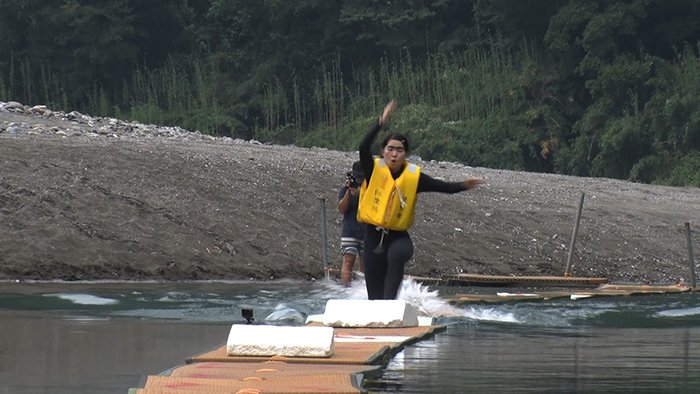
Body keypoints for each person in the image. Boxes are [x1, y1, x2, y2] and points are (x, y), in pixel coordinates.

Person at [357, 100, 485, 300]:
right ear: (383, 152)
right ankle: (379, 315)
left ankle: (391, 306)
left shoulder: (414, 178)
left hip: (398, 238)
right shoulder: (373, 168)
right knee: (374, 297)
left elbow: (442, 187)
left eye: (399, 150)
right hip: (373, 237)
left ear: (405, 154)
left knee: (396, 255)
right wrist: (380, 123)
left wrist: (463, 185)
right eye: (390, 149)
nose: (394, 153)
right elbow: (363, 147)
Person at [337, 161, 366, 286]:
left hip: (366, 231)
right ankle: (346, 288)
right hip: (349, 230)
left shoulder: (370, 190)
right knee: (348, 261)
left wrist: (362, 193)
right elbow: (342, 209)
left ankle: (363, 289)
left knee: (365, 265)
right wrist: (349, 191)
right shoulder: (345, 190)